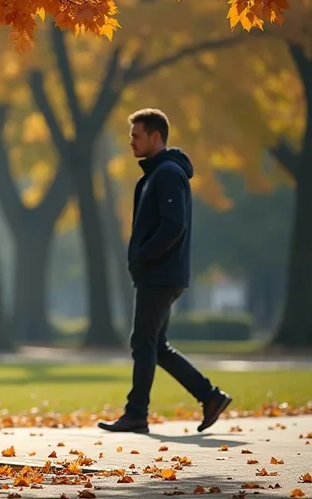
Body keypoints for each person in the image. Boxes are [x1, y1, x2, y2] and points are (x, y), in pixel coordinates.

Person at [98, 108, 232, 434]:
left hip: (160, 274)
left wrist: (144, 256)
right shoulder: (155, 175)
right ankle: (210, 396)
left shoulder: (168, 174)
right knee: (156, 346)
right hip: (159, 274)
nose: (131, 142)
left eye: (136, 136)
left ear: (155, 136)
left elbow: (173, 225)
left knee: (142, 342)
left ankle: (136, 413)